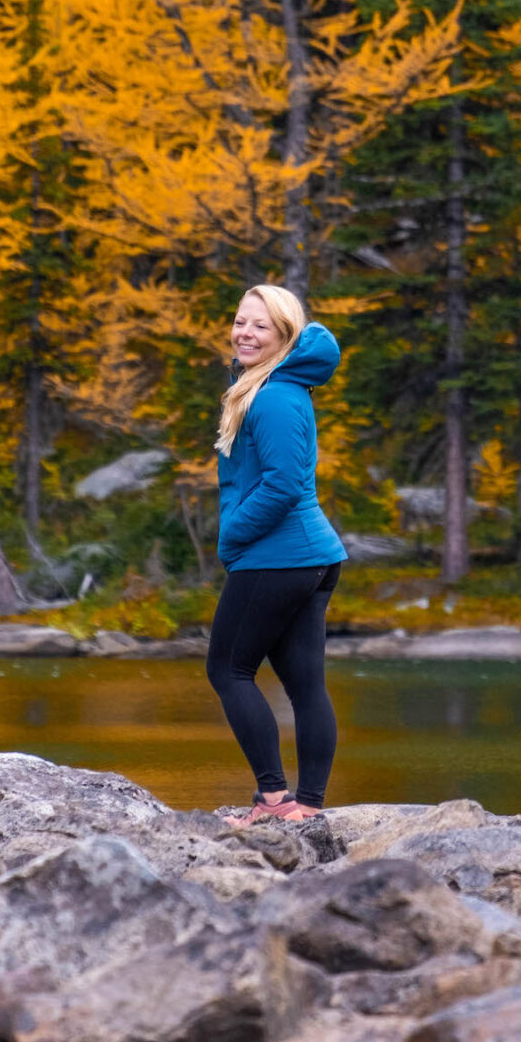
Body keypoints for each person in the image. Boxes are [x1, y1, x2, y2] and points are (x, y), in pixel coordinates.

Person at [206, 282, 347, 825]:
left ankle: (272, 799)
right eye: (241, 321)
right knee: (304, 680)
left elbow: (285, 483)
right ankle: (306, 805)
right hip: (301, 557)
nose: (245, 332)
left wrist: (234, 535)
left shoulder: (275, 397)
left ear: (284, 336)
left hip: (279, 557)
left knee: (229, 669)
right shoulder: (264, 387)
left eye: (260, 326)